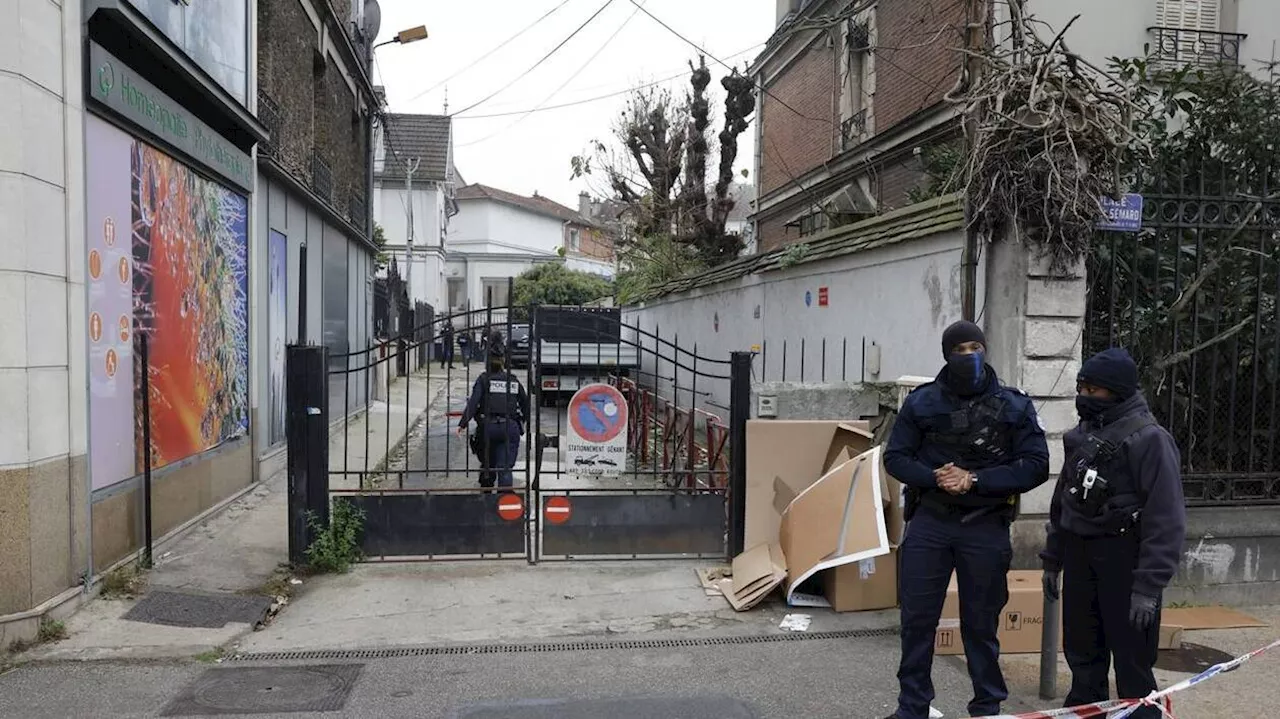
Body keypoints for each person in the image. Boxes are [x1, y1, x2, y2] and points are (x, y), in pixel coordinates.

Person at [883, 320, 1051, 719]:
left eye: (975, 347)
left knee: (981, 622)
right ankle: (913, 707)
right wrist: (935, 478)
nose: (968, 356)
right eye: (959, 350)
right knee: (917, 620)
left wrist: (976, 479)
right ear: (946, 354)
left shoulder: (1014, 404)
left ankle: (987, 706)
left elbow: (1035, 465)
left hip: (985, 524)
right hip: (931, 521)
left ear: (985, 349)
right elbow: (895, 457)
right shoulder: (922, 402)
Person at [1040, 348, 1185, 718]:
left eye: (1094, 390)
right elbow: (1065, 502)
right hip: (1080, 556)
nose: (1084, 397)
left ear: (1117, 391)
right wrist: (1053, 560)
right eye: (1081, 387)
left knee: (1133, 670)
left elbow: (1165, 520)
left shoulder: (1150, 440)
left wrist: (1148, 588)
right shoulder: (1081, 436)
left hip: (1126, 562)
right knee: (1083, 661)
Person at [456, 334, 529, 489]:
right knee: (505, 469)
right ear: (503, 362)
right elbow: (525, 403)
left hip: (487, 427)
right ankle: (505, 500)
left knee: (487, 464)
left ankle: (486, 495)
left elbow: (473, 402)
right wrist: (522, 421)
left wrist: (462, 424)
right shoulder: (512, 380)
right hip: (509, 427)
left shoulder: (484, 379)